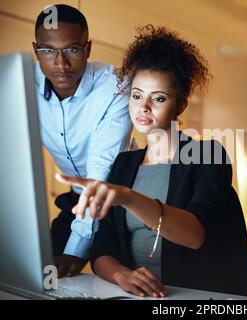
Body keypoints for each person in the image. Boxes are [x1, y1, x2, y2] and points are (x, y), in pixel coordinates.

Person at [56, 25, 247, 297]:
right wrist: (121, 275)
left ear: (181, 104)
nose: (143, 107)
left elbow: (194, 235)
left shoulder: (207, 155)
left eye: (158, 98)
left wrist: (127, 197)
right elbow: (103, 248)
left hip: (191, 297)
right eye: (136, 96)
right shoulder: (124, 164)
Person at [33, 4, 133, 277]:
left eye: (72, 50)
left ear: (87, 49)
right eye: (48, 51)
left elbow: (100, 173)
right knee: (38, 272)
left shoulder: (115, 87)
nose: (60, 64)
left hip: (119, 203)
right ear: (36, 50)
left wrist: (76, 250)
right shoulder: (22, 84)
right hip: (75, 199)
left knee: (120, 281)